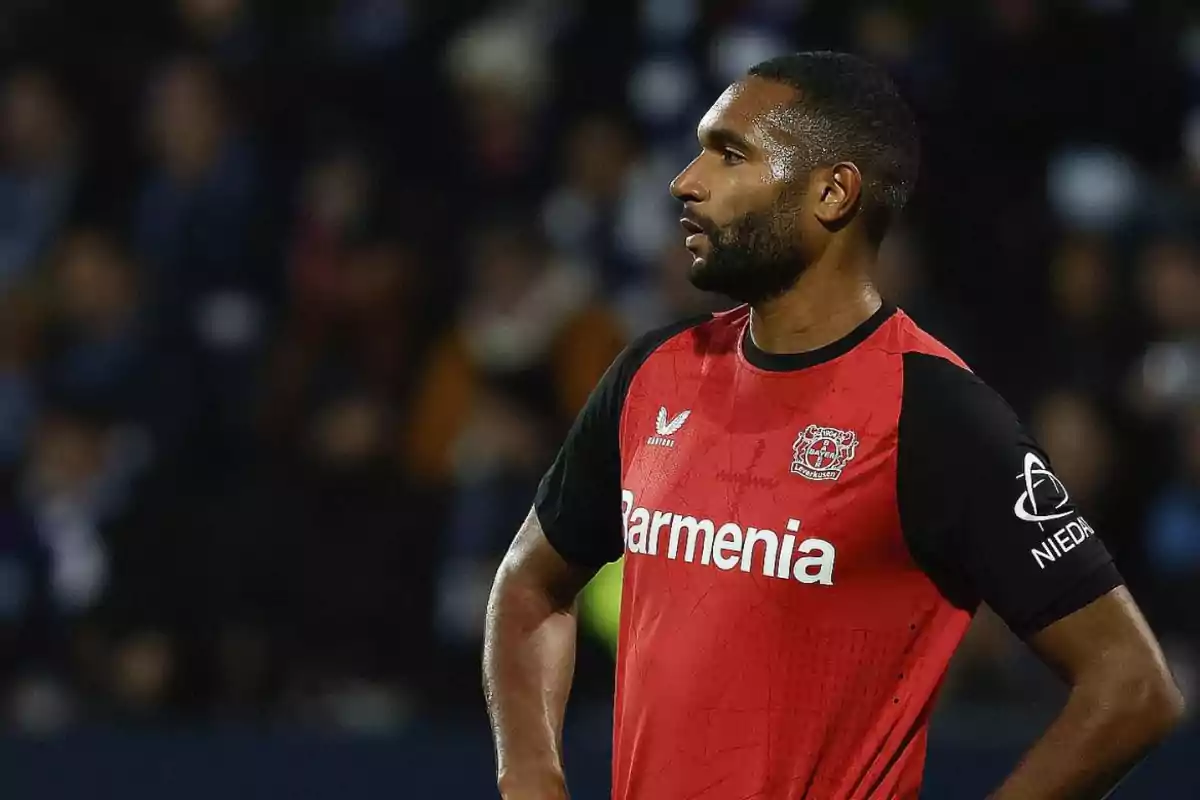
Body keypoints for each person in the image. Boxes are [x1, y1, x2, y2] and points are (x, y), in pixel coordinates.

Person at [483, 51, 1185, 800]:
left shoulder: (938, 414)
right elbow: (529, 586)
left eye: (729, 154)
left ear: (831, 192)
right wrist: (531, 774)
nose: (685, 180)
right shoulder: (653, 373)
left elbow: (1133, 687)